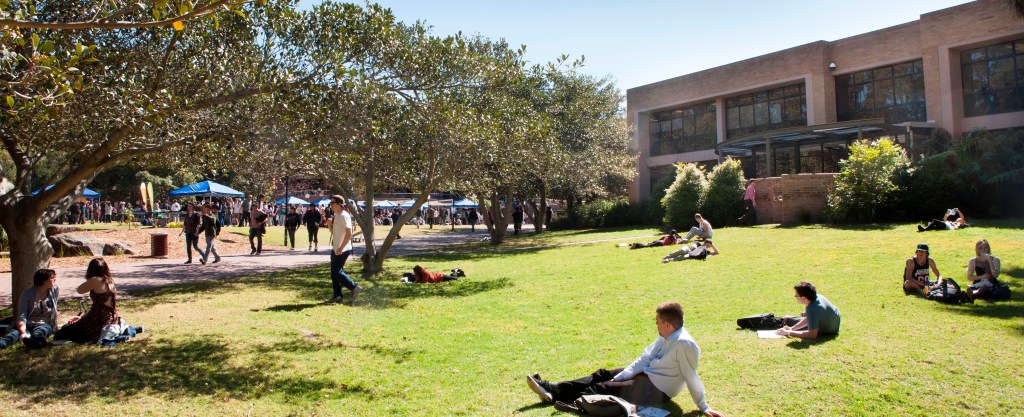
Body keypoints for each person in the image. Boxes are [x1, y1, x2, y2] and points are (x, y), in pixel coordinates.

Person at [526, 302, 724, 416]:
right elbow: (645, 358)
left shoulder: (685, 345)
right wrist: (621, 376)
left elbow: (691, 377)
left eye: (657, 322)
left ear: (668, 324)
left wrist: (703, 406)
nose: (655, 325)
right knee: (603, 375)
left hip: (656, 390)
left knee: (603, 387)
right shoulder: (665, 336)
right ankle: (553, 389)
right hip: (646, 375)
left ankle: (575, 402)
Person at [52, 258, 142, 344]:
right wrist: (82, 317)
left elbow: (79, 290)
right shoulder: (109, 280)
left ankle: (116, 338)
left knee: (62, 333)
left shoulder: (96, 280)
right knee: (71, 328)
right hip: (110, 317)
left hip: (98, 320)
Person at [0, 269, 59, 349]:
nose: (55, 279)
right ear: (44, 281)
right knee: (12, 335)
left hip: (44, 323)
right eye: (52, 278)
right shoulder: (27, 294)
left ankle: (35, 342)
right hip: (27, 323)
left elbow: (54, 311)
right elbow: (22, 316)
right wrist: (23, 333)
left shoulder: (54, 290)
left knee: (40, 332)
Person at [326, 195, 363, 304]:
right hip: (336, 248)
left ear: (338, 203)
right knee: (334, 273)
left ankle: (354, 288)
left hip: (342, 249)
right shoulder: (337, 215)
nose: (330, 205)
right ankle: (338, 295)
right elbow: (334, 233)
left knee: (337, 272)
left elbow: (349, 233)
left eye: (332, 203)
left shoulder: (344, 215)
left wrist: (341, 248)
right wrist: (329, 225)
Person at [776, 281, 840, 340]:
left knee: (787, 319)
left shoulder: (812, 309)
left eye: (796, 296)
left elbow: (812, 335)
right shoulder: (818, 296)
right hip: (835, 326)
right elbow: (809, 317)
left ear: (803, 298)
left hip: (828, 331)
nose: (795, 297)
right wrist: (792, 328)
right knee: (793, 318)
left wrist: (789, 332)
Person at [401, 265, 465, 284]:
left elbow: (424, 282)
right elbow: (417, 281)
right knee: (451, 277)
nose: (414, 273)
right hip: (437, 277)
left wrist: (415, 282)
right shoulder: (419, 274)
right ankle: (456, 272)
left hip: (440, 277)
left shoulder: (425, 273)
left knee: (455, 278)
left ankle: (455, 270)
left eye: (415, 272)